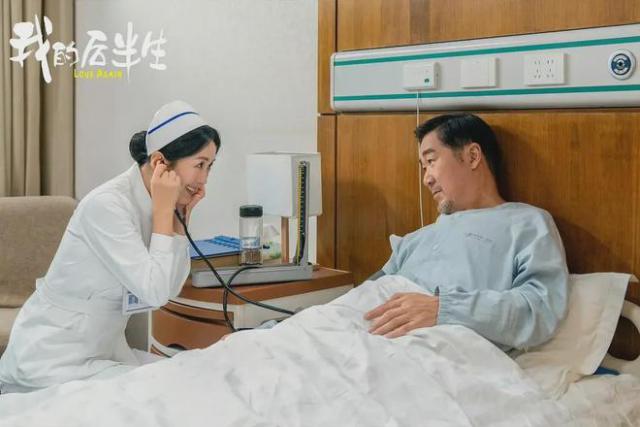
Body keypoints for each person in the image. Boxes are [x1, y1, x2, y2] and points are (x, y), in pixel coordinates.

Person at [0, 100, 220, 393]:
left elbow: (168, 289)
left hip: (103, 350)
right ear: (159, 163)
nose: (204, 180)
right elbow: (154, 292)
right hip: (54, 356)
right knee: (162, 391)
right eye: (199, 165)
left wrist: (180, 219)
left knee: (176, 385)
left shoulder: (156, 205)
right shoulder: (108, 206)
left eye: (210, 167)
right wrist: (165, 213)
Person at [364, 113, 568, 351]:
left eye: (431, 161)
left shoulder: (526, 224)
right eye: (423, 167)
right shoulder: (416, 240)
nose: (426, 179)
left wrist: (444, 308)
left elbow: (539, 310)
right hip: (367, 337)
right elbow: (366, 294)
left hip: (432, 350)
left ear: (472, 156)